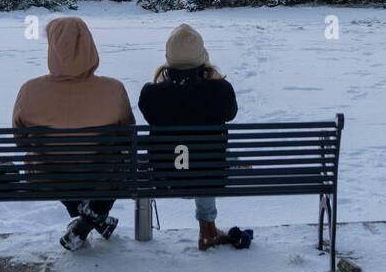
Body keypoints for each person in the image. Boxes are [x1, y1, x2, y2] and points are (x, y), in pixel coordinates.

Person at [13, 16, 134, 251]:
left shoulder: (30, 91)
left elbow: (20, 140)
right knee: (118, 163)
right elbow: (128, 136)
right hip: (102, 177)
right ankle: (92, 217)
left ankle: (84, 218)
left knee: (48, 162)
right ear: (90, 44)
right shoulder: (113, 89)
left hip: (48, 178)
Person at [137, 24, 242, 250]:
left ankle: (208, 232)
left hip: (164, 177)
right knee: (209, 159)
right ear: (202, 57)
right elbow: (230, 114)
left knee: (195, 157)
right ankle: (207, 229)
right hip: (210, 175)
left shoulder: (151, 94)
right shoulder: (220, 91)